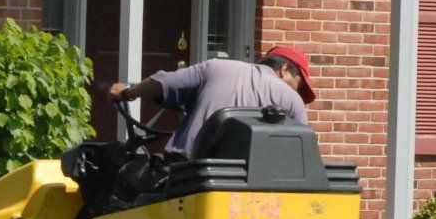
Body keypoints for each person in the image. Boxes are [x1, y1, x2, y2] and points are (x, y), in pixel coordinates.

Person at [107, 45, 317, 159]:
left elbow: (164, 82)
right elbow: (302, 155)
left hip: (188, 177)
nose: (297, 91)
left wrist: (127, 93)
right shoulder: (293, 101)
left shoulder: (216, 67)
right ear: (285, 69)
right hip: (252, 187)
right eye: (299, 85)